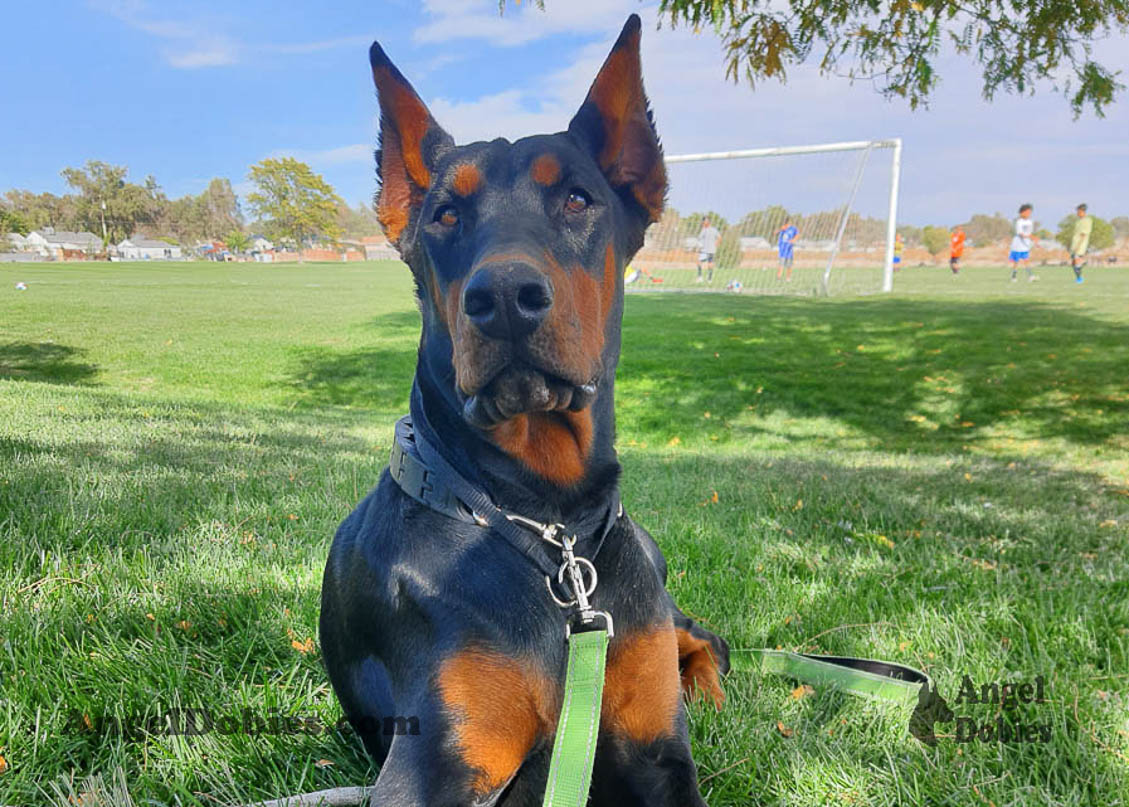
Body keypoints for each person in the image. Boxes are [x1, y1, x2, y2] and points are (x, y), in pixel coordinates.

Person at [1008, 203, 1038, 281]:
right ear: (1022, 212)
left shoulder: (1030, 222)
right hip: (1018, 245)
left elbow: (1029, 233)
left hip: (1025, 245)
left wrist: (1033, 240)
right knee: (1016, 261)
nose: (1029, 214)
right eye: (1027, 212)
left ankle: (1030, 276)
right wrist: (1032, 237)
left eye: (1030, 212)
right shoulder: (1019, 222)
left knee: (1026, 260)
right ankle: (1014, 276)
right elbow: (1021, 234)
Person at [1070, 203, 1092, 284]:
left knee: (1077, 260)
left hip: (1081, 245)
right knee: (1073, 263)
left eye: (1078, 211)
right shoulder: (1078, 221)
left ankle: (1079, 279)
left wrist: (1078, 246)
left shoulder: (1087, 220)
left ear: (1082, 211)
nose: (1077, 213)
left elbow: (1083, 235)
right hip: (1074, 244)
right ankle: (1079, 277)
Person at [696, 218, 720, 283]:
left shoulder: (704, 230)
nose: (703, 223)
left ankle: (700, 277)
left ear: (707, 222)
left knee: (699, 262)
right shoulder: (714, 230)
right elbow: (719, 238)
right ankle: (709, 279)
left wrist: (699, 247)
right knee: (710, 263)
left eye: (704, 222)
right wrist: (715, 245)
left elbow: (699, 238)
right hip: (711, 250)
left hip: (705, 250)